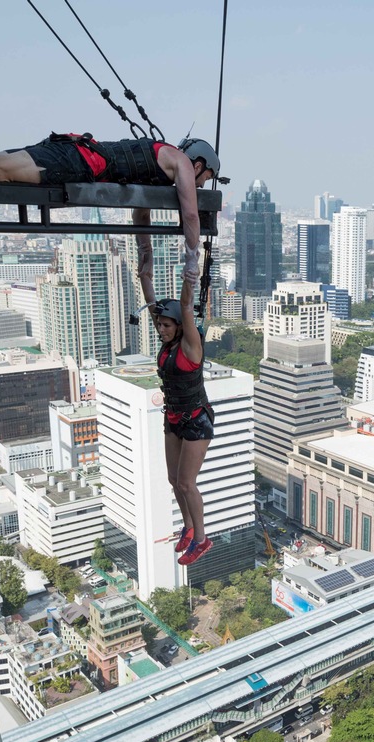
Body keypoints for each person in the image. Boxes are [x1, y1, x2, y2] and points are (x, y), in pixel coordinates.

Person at [0, 134, 219, 230]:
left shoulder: (158, 161)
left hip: (72, 153)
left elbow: (142, 213)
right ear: (199, 162)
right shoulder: (180, 161)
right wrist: (191, 262)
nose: (200, 185)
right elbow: (190, 215)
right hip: (75, 161)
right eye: (206, 178)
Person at [135, 206, 214, 566]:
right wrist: (144, 251)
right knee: (172, 479)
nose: (161, 328)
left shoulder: (190, 344)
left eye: (167, 325)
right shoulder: (167, 343)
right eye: (161, 325)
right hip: (174, 417)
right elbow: (150, 294)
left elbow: (184, 304)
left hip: (196, 419)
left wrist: (191, 256)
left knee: (186, 483)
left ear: (179, 327)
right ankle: (186, 527)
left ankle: (201, 538)